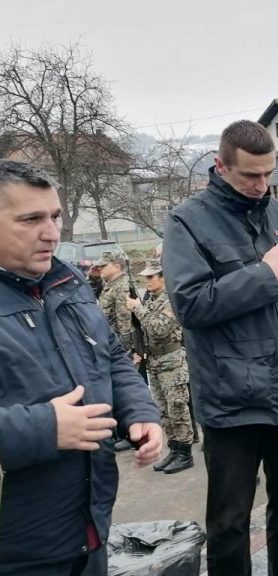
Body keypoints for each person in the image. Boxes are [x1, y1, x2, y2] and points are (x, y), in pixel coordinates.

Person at [162, 120, 278, 576]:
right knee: (229, 523)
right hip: (231, 402)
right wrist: (262, 274)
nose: (262, 186)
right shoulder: (188, 221)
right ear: (220, 166)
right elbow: (191, 305)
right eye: (250, 177)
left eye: (269, 174)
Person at [0, 159, 162, 575]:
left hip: (89, 528)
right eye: (31, 219)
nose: (52, 233)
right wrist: (44, 429)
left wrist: (139, 412)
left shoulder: (66, 282)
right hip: (20, 551)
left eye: (54, 216)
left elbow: (109, 357)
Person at [127, 259, 194, 474]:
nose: (146, 281)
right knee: (164, 411)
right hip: (155, 361)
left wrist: (137, 308)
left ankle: (185, 453)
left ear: (163, 278)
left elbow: (159, 330)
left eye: (150, 277)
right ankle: (174, 449)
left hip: (172, 361)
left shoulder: (170, 300)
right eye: (145, 277)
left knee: (177, 408)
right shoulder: (152, 300)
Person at [93, 251, 137, 450]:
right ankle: (119, 430)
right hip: (108, 343)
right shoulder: (110, 285)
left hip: (119, 345)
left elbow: (124, 322)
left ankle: (130, 433)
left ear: (117, 266)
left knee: (125, 388)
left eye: (104, 266)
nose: (100, 269)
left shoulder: (121, 287)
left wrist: (126, 350)